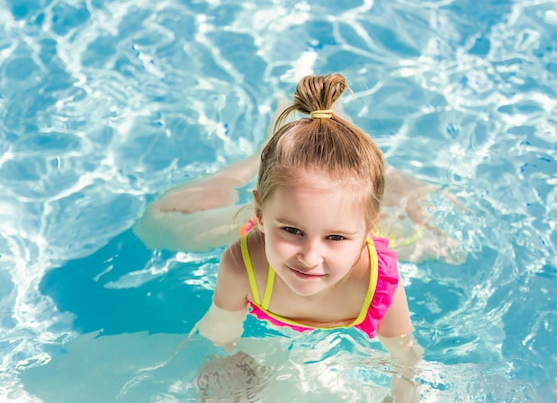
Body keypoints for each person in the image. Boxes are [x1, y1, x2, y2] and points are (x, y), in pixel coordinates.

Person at [134, 73, 460, 401]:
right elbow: (222, 332)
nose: (310, 256)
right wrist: (230, 364)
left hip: (331, 217)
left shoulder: (376, 285)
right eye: (292, 231)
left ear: (365, 231)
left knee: (442, 248)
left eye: (335, 237)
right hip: (282, 213)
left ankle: (386, 178)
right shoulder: (242, 264)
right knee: (154, 226)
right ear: (260, 213)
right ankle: (258, 158)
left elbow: (405, 359)